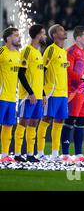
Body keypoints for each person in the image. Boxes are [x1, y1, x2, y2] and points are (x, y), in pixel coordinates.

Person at [61, 26, 84, 162]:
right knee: (70, 122)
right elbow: (69, 72)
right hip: (74, 92)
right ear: (78, 38)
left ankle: (78, 155)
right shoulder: (71, 51)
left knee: (81, 123)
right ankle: (65, 154)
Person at [36, 24, 69, 161]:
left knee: (59, 122)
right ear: (54, 35)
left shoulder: (64, 52)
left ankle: (55, 154)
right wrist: (43, 92)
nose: (64, 31)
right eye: (61, 30)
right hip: (51, 92)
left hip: (63, 94)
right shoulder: (50, 50)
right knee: (46, 120)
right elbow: (42, 70)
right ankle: (40, 152)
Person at [14, 24, 46, 162]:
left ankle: (30, 153)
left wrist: (43, 94)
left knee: (33, 123)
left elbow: (39, 77)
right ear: (38, 35)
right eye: (43, 34)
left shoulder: (39, 53)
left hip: (38, 96)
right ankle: (16, 153)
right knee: (23, 122)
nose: (45, 36)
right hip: (28, 96)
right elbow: (21, 74)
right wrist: (31, 93)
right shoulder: (27, 51)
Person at [0, 27, 21, 162]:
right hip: (1, 96)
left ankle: (4, 155)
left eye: (18, 35)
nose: (18, 38)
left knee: (8, 126)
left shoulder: (18, 55)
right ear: (8, 38)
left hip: (13, 98)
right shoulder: (2, 52)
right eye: (15, 35)